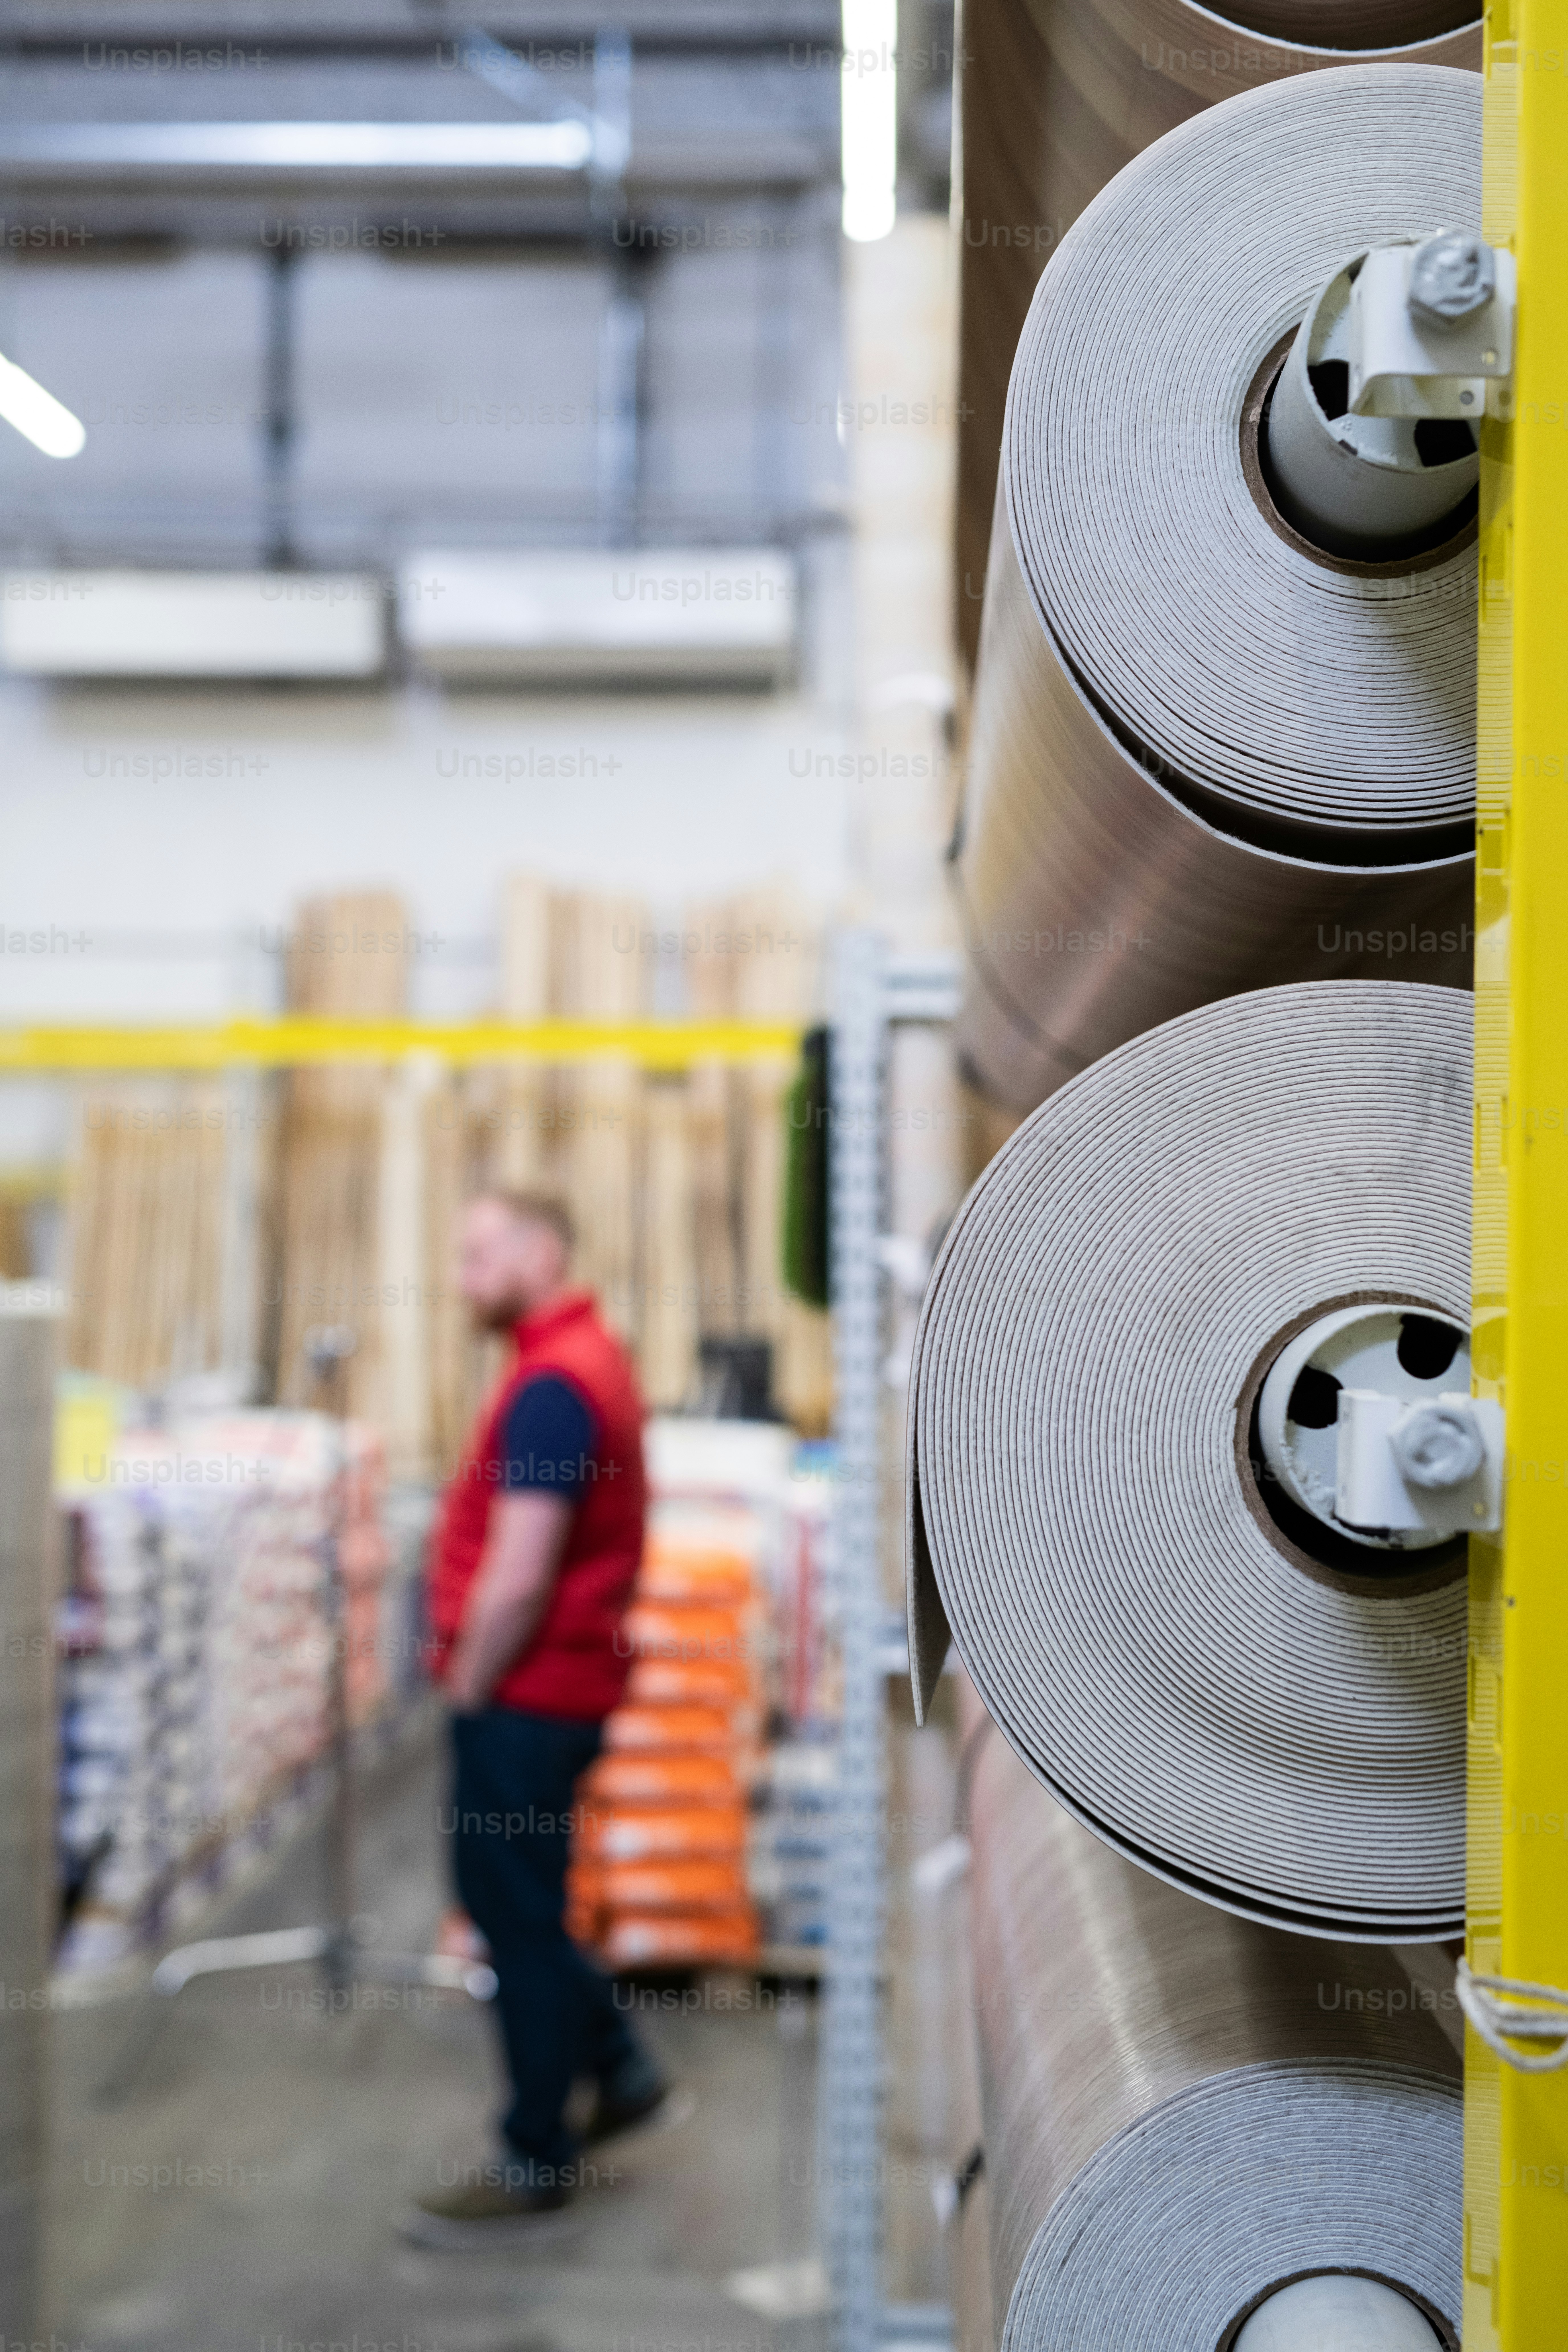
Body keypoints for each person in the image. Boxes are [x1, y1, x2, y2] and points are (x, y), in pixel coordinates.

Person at [401, 1189, 680, 2247]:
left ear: (542, 1249)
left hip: (525, 1698)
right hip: (556, 1692)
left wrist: (469, 1681)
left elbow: (520, 1572)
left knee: (511, 1917)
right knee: (522, 1901)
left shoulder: (555, 1386)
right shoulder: (576, 1361)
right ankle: (620, 2070)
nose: (463, 1277)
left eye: (480, 1254)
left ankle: (534, 2156)